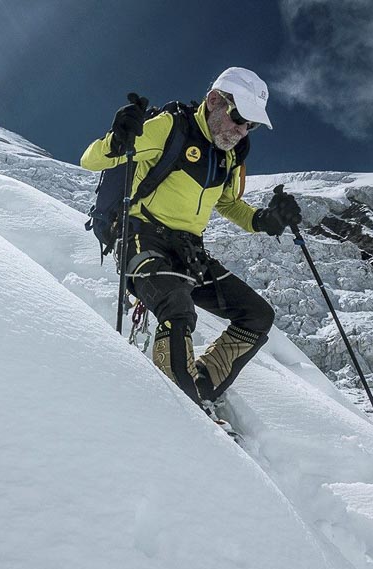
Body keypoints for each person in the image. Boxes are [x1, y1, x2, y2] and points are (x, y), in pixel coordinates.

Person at [80, 67, 302, 423]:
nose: (242, 131)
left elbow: (228, 205)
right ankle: (186, 422)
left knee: (257, 316)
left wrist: (265, 220)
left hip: (188, 251)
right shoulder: (170, 127)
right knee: (176, 307)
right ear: (215, 101)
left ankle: (196, 389)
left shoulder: (228, 157)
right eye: (239, 118)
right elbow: (91, 160)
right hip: (141, 237)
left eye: (251, 125)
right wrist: (117, 138)